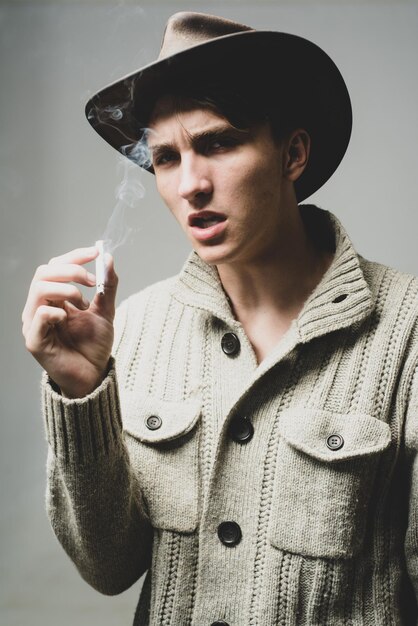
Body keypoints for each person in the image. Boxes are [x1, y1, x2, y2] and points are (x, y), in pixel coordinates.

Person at [22, 11, 418, 626]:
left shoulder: (408, 331)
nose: (191, 185)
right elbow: (108, 568)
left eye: (218, 143)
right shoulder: (133, 330)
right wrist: (82, 391)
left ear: (293, 153)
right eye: (166, 158)